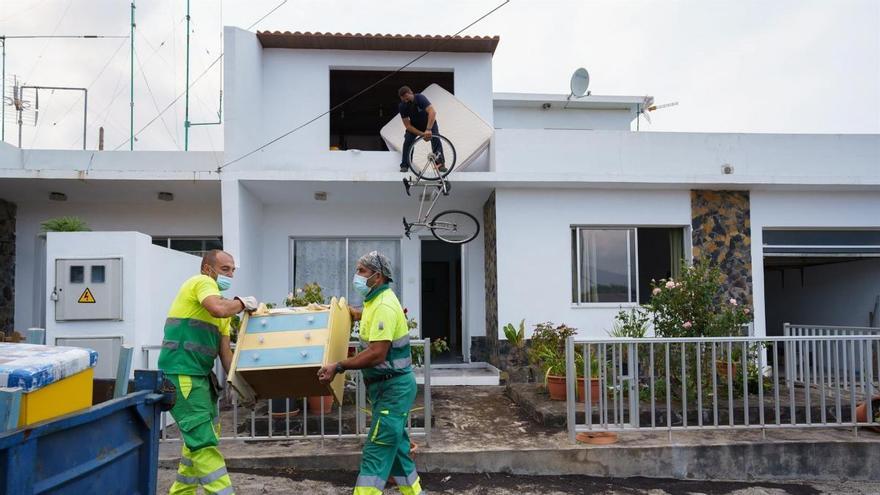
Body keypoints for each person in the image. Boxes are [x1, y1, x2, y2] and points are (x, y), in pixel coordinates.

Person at [318, 251, 422, 495]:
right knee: (397, 453)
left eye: (362, 271)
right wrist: (353, 313)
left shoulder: (383, 304)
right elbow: (371, 315)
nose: (357, 276)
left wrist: (339, 366)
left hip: (393, 389)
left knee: (376, 450)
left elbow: (377, 353)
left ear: (378, 276)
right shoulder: (375, 302)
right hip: (387, 388)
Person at [158, 249, 258, 495]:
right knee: (203, 443)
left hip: (200, 379)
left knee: (196, 445)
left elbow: (226, 354)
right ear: (207, 269)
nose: (230, 274)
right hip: (182, 376)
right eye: (225, 269)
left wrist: (243, 386)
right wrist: (242, 303)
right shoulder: (200, 283)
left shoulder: (223, 309)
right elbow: (217, 308)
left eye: (233, 270)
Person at [397, 85, 445, 174]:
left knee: (436, 139)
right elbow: (407, 126)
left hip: (429, 123)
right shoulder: (402, 106)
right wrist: (422, 134)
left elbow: (432, 112)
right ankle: (405, 165)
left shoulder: (420, 98)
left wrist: (428, 129)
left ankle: (440, 164)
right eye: (404, 100)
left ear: (411, 93)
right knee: (408, 140)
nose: (406, 101)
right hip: (415, 126)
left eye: (407, 98)